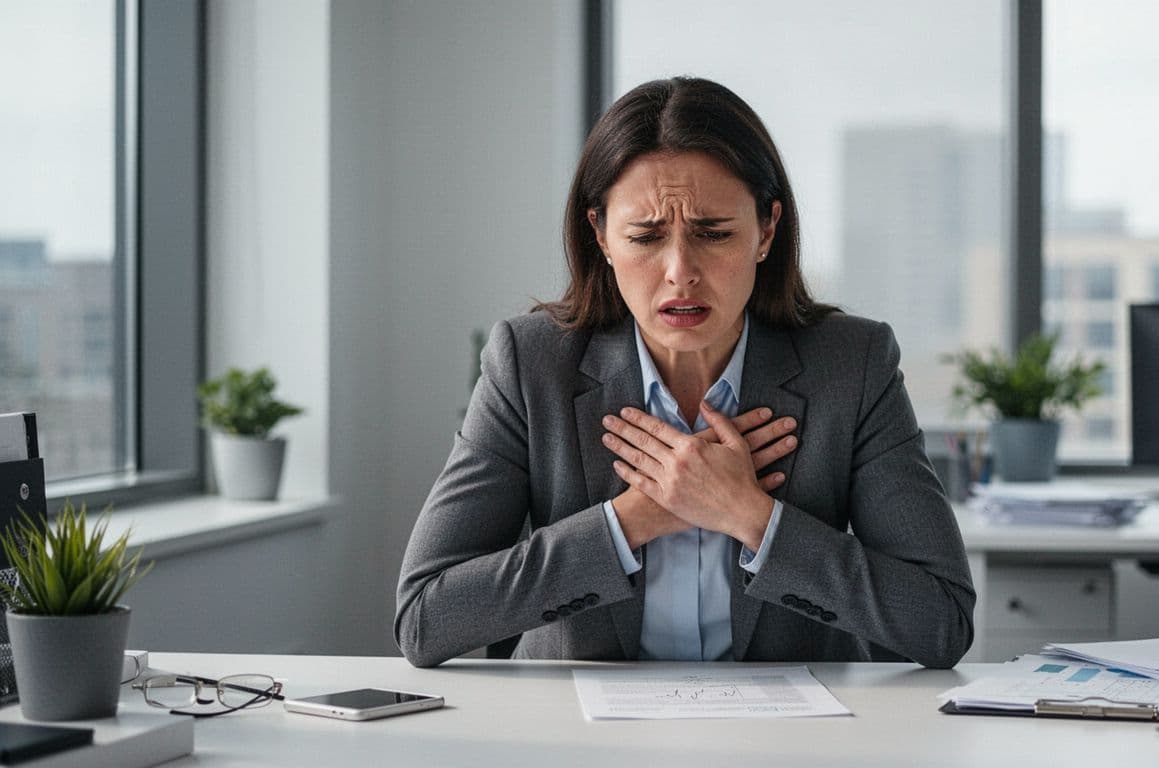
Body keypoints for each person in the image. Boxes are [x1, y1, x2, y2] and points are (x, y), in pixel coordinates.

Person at [395, 77, 974, 667]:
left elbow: (941, 623)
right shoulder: (530, 363)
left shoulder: (852, 365)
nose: (680, 272)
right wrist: (632, 521)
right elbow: (425, 618)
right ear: (600, 236)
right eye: (645, 236)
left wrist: (751, 516)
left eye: (713, 233)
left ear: (766, 231)